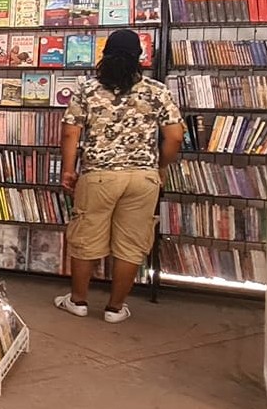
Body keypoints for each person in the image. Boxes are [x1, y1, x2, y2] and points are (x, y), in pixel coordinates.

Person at [55, 29, 183, 323]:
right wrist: (160, 168)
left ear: (104, 56)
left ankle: (78, 301)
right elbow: (175, 137)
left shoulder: (87, 90)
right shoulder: (157, 90)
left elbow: (70, 132)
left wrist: (68, 169)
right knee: (131, 242)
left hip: (99, 175)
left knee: (86, 237)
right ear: (139, 57)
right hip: (143, 178)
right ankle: (115, 309)